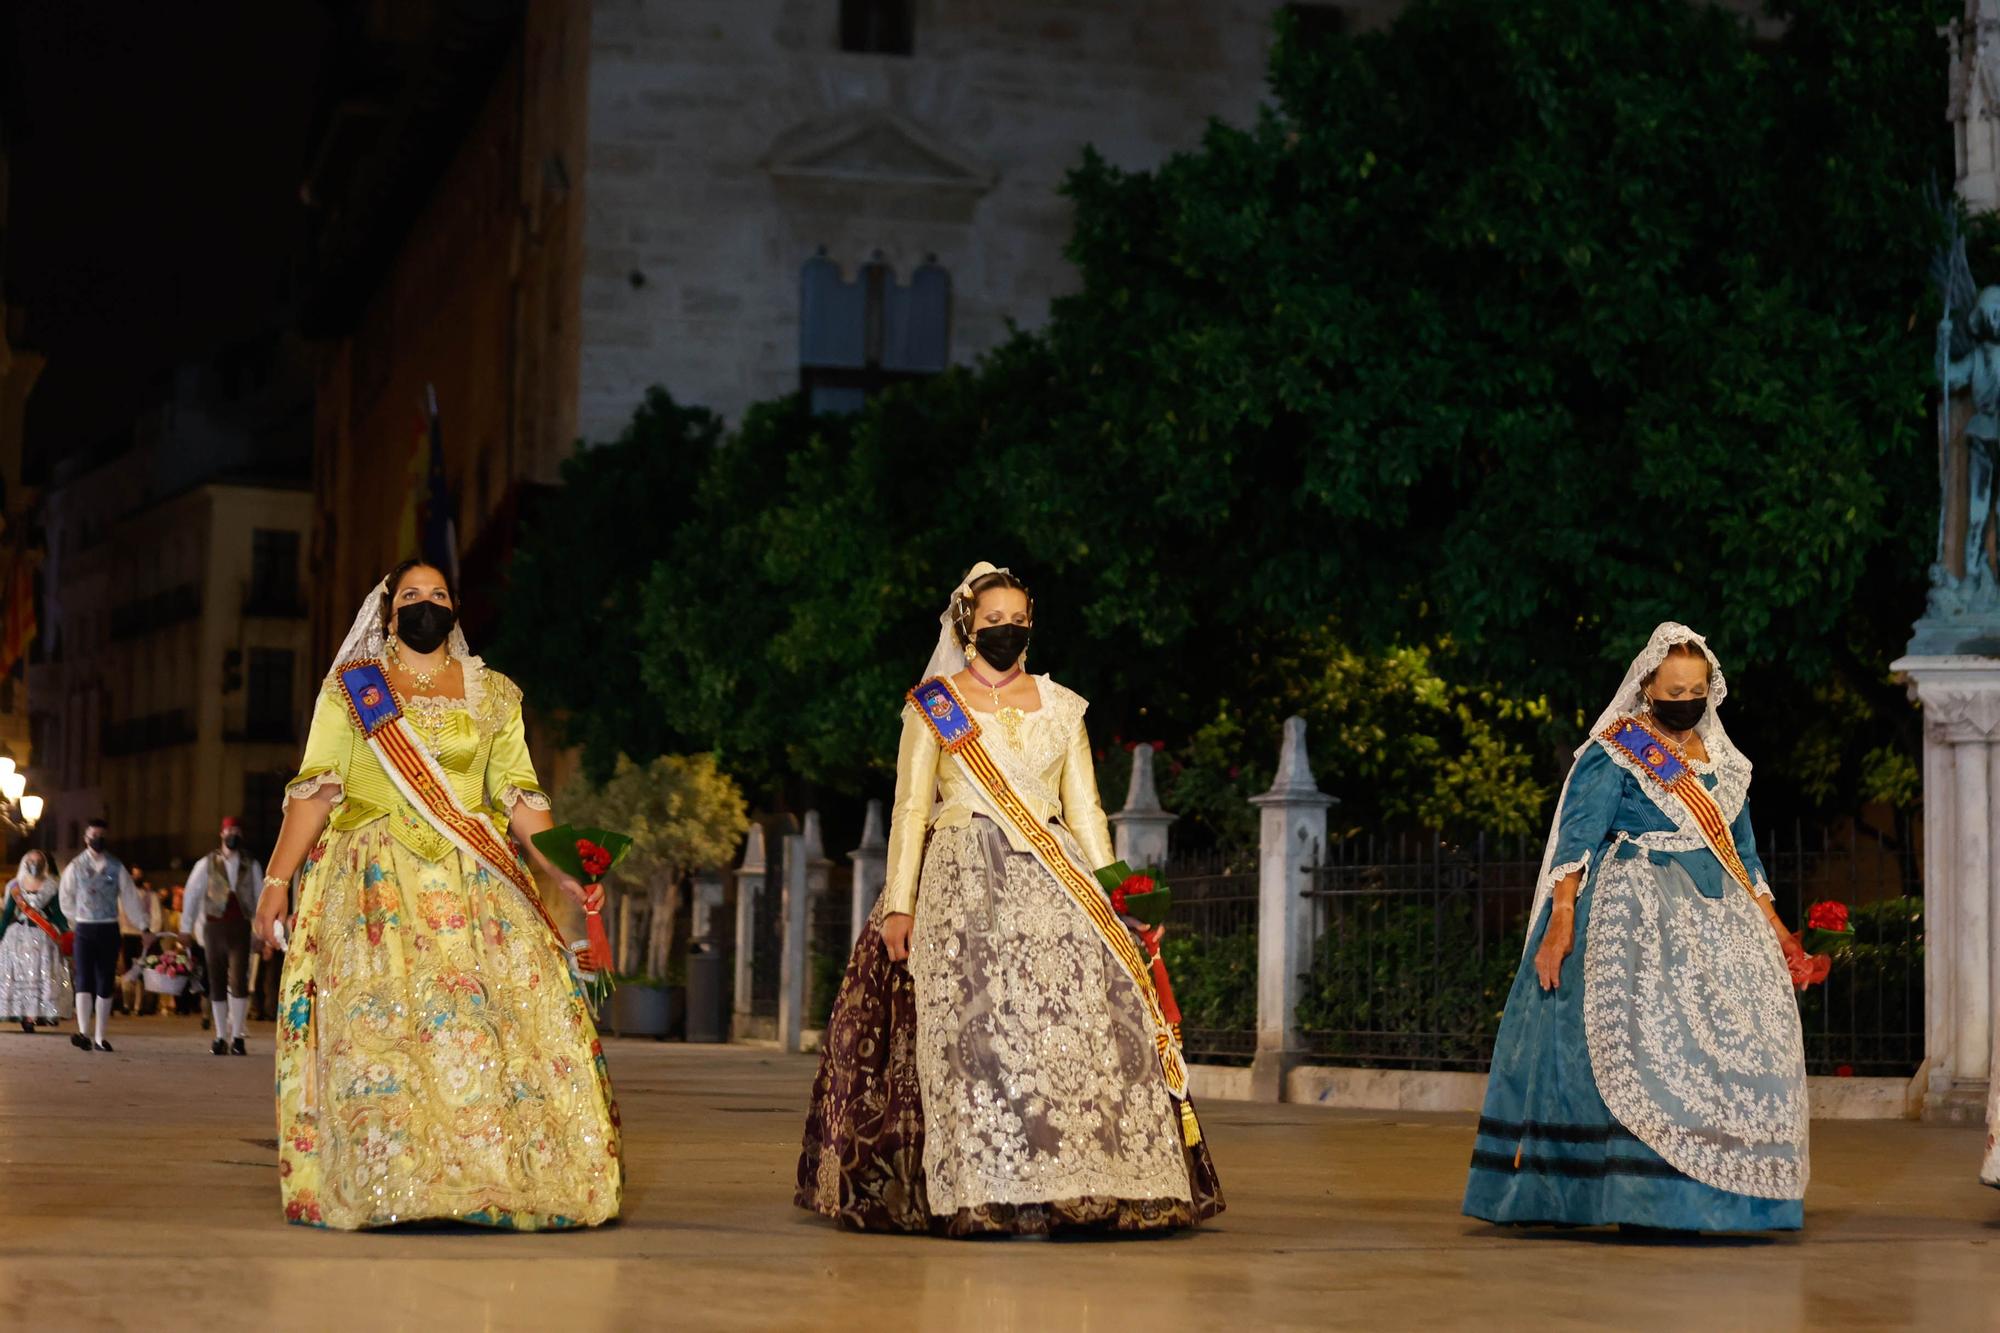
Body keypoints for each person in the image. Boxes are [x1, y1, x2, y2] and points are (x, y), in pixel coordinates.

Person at [797, 562, 1224, 1235]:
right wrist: (900, 903)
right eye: (993, 619)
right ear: (968, 625)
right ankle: (991, 1183)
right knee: (981, 1029)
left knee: (1086, 1022)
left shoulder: (1065, 707)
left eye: (1017, 618)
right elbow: (911, 810)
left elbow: (1087, 812)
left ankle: (1093, 1181)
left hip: (1058, 878)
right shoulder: (933, 705)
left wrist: (1123, 893)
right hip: (964, 877)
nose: (1007, 629)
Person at [251, 560, 621, 1230]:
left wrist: (567, 867)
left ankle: (489, 1174)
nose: (428, 604)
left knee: (481, 1030)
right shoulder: (352, 689)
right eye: (413, 596)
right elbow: (316, 791)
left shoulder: (497, 695)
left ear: (457, 609)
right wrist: (277, 879)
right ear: (388, 616)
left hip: (473, 880)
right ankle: (390, 1178)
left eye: (440, 594)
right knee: (379, 1033)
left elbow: (522, 799)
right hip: (372, 881)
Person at [1462, 623, 1812, 1233]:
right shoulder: (1616, 749)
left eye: (1696, 688)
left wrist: (1780, 931)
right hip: (1638, 909)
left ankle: (1727, 1200)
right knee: (1651, 1044)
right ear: (1647, 686)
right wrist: (1562, 919)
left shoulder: (1727, 765)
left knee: (1736, 1046)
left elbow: (1745, 857)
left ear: (1712, 689)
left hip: (1722, 918)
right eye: (1674, 689)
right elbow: (1577, 840)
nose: (1686, 699)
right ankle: (1639, 1199)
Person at [58, 819, 146, 1052]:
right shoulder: (75, 866)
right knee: (84, 978)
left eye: (101, 835)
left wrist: (143, 925)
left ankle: (100, 1036)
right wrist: (75, 919)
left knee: (106, 980)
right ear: (86, 838)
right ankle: (84, 1031)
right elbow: (65, 897)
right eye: (93, 834)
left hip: (109, 927)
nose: (97, 839)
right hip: (85, 928)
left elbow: (130, 898)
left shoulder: (117, 867)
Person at [182, 816, 263, 1055]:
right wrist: (185, 929)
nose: (233, 835)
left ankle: (237, 1037)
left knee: (239, 982)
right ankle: (219, 1036)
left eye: (237, 831)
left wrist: (260, 933)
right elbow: (191, 895)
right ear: (222, 834)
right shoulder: (206, 863)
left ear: (242, 835)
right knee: (216, 982)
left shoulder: (252, 864)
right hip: (213, 927)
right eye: (229, 831)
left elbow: (260, 898)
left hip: (241, 928)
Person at [0, 851, 73, 1032]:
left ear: (44, 864)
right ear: (24, 862)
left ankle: (34, 1015)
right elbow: (9, 913)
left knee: (41, 974)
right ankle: (20, 1012)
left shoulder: (51, 886)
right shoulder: (15, 887)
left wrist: (66, 932)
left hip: (42, 937)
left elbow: (56, 914)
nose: (34, 863)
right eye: (31, 860)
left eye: (38, 860)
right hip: (17, 937)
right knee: (17, 974)